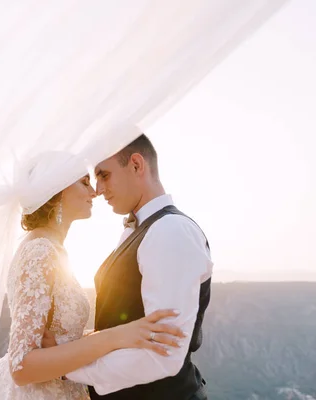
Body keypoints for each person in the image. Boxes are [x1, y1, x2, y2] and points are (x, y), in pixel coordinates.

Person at [0, 152, 186, 400]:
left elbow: (59, 336)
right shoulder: (39, 250)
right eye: (84, 182)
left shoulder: (52, 248)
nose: (95, 191)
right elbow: (21, 366)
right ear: (56, 191)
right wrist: (115, 336)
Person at [61, 134, 213, 399]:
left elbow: (163, 355)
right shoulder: (146, 229)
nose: (98, 189)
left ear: (136, 165)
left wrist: (67, 366)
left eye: (104, 175)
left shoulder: (170, 230)